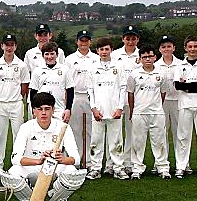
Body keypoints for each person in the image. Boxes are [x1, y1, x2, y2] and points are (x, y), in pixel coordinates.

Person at [0, 92, 87, 201]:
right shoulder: (26, 127)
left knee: (73, 173)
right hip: (33, 168)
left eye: (47, 109)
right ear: (34, 111)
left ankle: (58, 199)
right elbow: (15, 158)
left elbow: (76, 159)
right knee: (12, 174)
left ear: (53, 110)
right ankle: (28, 200)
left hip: (55, 168)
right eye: (40, 109)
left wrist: (62, 159)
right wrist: (38, 161)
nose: (44, 113)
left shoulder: (63, 127)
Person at [86, 38, 129, 180]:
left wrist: (120, 108)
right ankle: (96, 168)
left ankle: (118, 168)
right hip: (98, 111)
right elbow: (90, 90)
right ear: (97, 51)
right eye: (101, 49)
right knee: (96, 141)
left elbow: (123, 88)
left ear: (111, 49)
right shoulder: (92, 68)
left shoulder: (119, 66)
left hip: (114, 110)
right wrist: (93, 108)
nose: (104, 52)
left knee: (116, 141)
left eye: (107, 49)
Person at [127, 45, 170, 179]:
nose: (147, 59)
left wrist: (156, 107)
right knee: (138, 141)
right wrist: (133, 111)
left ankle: (162, 167)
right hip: (139, 113)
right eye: (144, 57)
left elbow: (163, 93)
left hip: (157, 113)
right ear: (140, 59)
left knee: (159, 141)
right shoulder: (134, 74)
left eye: (150, 56)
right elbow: (130, 94)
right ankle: (137, 168)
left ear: (155, 57)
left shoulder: (161, 74)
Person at [173, 36, 197, 180]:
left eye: (195, 46)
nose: (192, 49)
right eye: (190, 47)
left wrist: (187, 86)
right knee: (183, 137)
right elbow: (178, 86)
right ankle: (181, 167)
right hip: (184, 105)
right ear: (185, 48)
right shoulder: (180, 66)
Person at [0, 34, 30, 170]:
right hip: (0, 103)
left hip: (16, 104)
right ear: (2, 46)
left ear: (15, 46)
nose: (9, 47)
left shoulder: (22, 66)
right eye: (7, 44)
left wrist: (15, 97)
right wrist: (3, 96)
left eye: (12, 44)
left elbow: (24, 87)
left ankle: (17, 164)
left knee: (18, 135)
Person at [65, 30, 100, 164]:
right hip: (75, 96)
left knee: (92, 129)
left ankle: (91, 161)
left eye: (86, 40)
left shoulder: (96, 59)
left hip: (92, 96)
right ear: (77, 41)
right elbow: (67, 83)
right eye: (81, 40)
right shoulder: (70, 59)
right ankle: (77, 159)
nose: (84, 43)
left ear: (90, 42)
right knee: (75, 130)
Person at [110, 25, 140, 175]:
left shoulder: (142, 55)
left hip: (135, 99)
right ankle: (112, 162)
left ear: (137, 39)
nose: (130, 41)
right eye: (128, 38)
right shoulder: (114, 55)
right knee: (114, 132)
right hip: (117, 99)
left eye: (133, 38)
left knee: (131, 131)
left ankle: (129, 162)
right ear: (123, 39)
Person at [154, 35, 184, 173]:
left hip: (178, 101)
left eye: (169, 46)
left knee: (180, 133)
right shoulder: (155, 66)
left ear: (174, 48)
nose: (166, 49)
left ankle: (182, 164)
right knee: (161, 133)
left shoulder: (181, 64)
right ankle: (160, 163)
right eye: (163, 46)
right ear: (160, 49)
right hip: (161, 103)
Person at [28, 42, 74, 122]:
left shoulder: (65, 69)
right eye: (47, 54)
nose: (49, 57)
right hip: (42, 109)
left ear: (57, 54)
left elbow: (70, 90)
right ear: (43, 55)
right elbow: (33, 92)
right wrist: (34, 109)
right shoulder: (37, 71)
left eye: (52, 54)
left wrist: (68, 109)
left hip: (59, 110)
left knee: (59, 133)